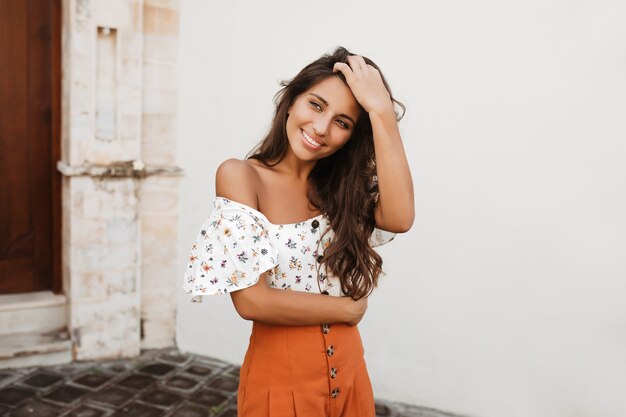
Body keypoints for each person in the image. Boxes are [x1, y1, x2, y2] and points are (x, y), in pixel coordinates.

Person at [183, 46, 414, 416]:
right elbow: (251, 301)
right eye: (316, 105)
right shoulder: (242, 177)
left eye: (343, 122)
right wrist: (346, 309)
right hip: (280, 385)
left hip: (352, 377)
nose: (321, 128)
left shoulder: (342, 190)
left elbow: (400, 218)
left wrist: (382, 113)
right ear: (291, 100)